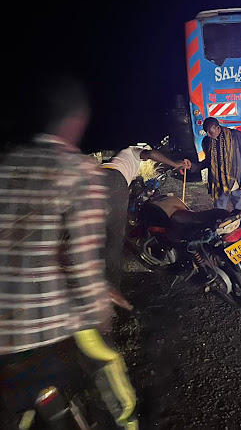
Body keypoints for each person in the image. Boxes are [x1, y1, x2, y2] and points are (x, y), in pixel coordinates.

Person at [0, 78, 139, 428]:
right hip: (48, 327)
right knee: (108, 364)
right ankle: (128, 422)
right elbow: (82, 262)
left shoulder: (7, 166)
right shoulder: (79, 172)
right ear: (76, 120)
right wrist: (100, 310)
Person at [101, 143, 190, 290]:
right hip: (115, 181)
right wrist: (174, 164)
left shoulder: (116, 160)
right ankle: (111, 290)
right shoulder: (130, 151)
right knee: (115, 238)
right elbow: (151, 154)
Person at [194, 117, 241, 239]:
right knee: (218, 213)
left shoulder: (235, 136)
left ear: (218, 128)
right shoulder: (207, 141)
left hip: (235, 180)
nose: (208, 135)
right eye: (207, 132)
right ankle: (220, 238)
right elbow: (208, 161)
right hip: (218, 183)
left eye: (210, 131)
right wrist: (194, 167)